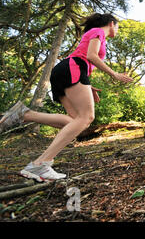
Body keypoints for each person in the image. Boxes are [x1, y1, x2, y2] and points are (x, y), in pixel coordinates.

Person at [0, 13, 133, 182]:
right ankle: (41, 163)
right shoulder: (98, 32)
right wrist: (114, 74)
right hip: (73, 68)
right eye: (118, 26)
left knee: (74, 121)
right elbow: (91, 56)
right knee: (87, 117)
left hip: (67, 70)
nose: (117, 30)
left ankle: (25, 115)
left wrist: (87, 87)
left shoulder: (93, 34)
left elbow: (85, 57)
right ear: (112, 24)